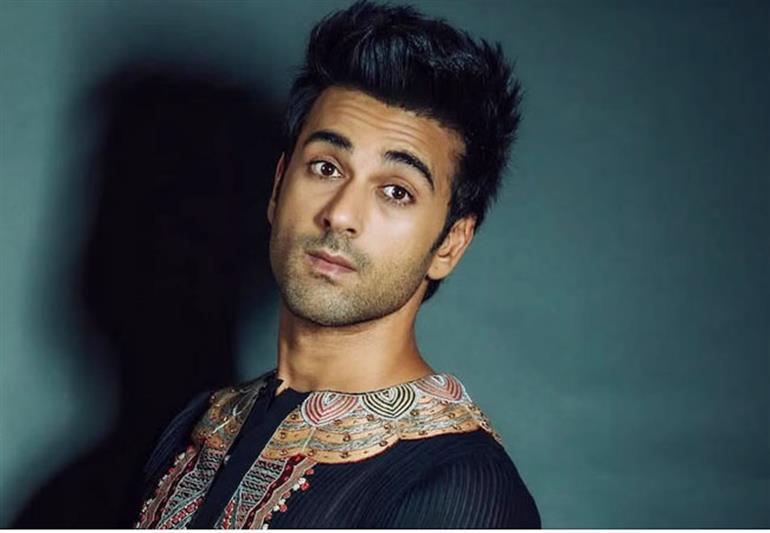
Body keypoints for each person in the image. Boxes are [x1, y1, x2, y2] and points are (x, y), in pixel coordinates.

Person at [135, 0, 540, 528]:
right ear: (278, 187)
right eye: (326, 167)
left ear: (450, 243)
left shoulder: (462, 487)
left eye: (396, 191)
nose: (341, 214)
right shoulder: (198, 427)